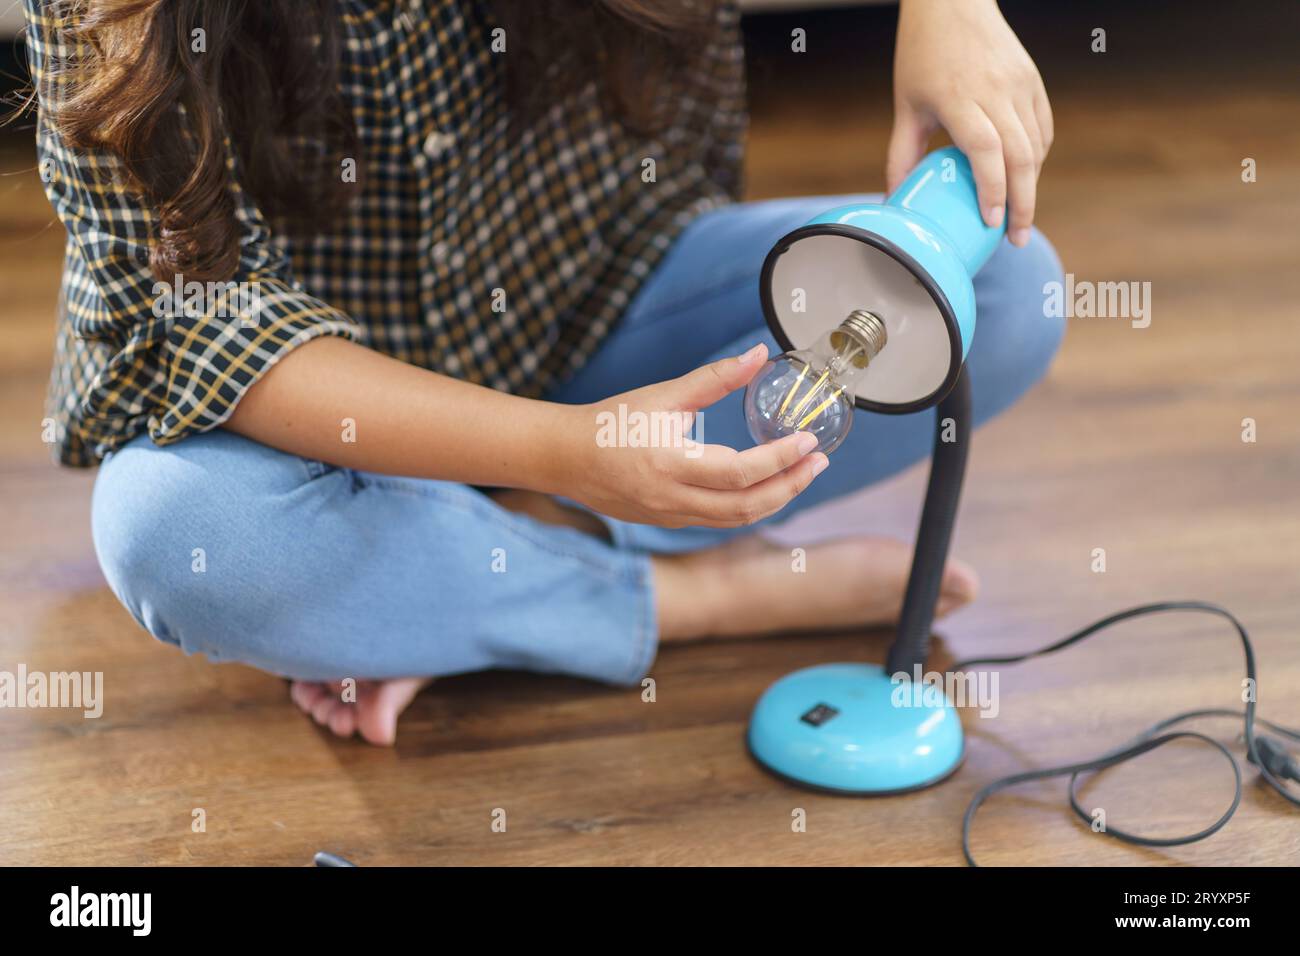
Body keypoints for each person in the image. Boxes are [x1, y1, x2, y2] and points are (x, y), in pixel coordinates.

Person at [26, 0, 1063, 744]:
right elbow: (207, 327)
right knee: (177, 533)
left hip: (592, 293)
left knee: (1006, 292)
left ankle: (466, 570)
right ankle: (677, 595)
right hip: (306, 418)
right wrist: (574, 454)